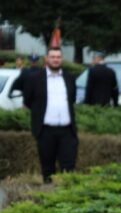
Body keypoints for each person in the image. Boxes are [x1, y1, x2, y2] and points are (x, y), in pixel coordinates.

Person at [14, 46, 77, 183]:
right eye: (53, 57)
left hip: (67, 131)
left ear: (62, 59)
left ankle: (68, 197)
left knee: (69, 168)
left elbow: (72, 99)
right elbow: (28, 101)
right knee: (48, 169)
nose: (55, 60)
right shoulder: (35, 79)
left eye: (58, 57)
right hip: (45, 130)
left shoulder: (69, 78)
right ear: (46, 59)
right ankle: (49, 197)